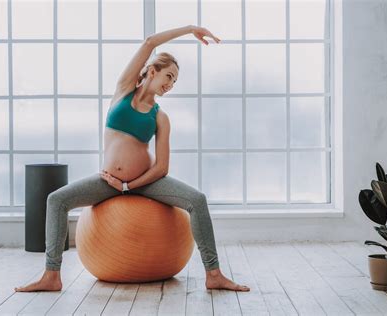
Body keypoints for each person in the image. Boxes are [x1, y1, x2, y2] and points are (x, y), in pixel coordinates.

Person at [15, 25, 250, 292]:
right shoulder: (124, 91)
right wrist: (190, 29)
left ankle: (214, 274)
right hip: (106, 182)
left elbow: (162, 167)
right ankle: (52, 276)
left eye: (175, 82)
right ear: (152, 71)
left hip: (146, 183)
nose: (171, 85)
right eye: (169, 76)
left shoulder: (161, 117)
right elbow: (150, 42)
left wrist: (129, 186)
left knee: (197, 200)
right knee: (56, 200)